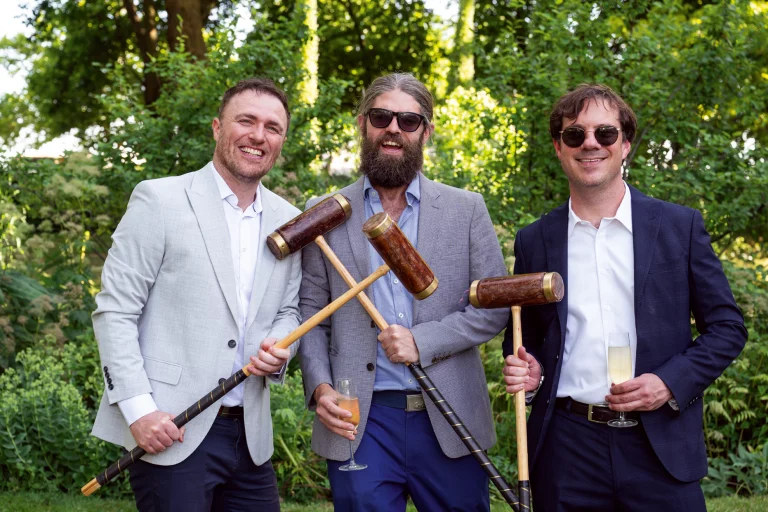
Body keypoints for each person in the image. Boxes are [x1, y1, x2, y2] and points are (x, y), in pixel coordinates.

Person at [502, 83, 748, 511]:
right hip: (567, 447)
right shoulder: (535, 240)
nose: (590, 144)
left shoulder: (680, 227)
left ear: (626, 144)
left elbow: (727, 329)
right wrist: (532, 371)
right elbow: (526, 340)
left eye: (605, 133)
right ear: (560, 148)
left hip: (660, 444)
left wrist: (669, 382)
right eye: (575, 135)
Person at [90, 77, 303, 511]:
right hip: (172, 428)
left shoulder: (290, 220)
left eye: (272, 127)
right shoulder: (159, 199)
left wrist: (282, 343)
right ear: (217, 128)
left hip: (251, 437)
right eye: (246, 121)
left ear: (281, 140)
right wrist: (139, 411)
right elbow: (115, 311)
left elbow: (289, 309)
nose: (258, 136)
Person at [299, 73, 508, 511]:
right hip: (362, 419)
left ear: (425, 131)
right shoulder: (327, 215)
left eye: (408, 120)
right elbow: (310, 314)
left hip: (449, 416)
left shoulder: (466, 210)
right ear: (363, 124)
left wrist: (422, 341)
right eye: (381, 116)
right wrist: (320, 388)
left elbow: (493, 310)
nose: (393, 128)